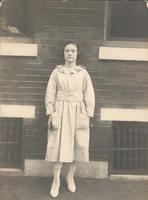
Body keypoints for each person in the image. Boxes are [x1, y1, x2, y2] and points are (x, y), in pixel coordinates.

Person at [45, 41, 95, 198]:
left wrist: (88, 114)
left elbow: (89, 94)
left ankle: (70, 176)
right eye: (67, 50)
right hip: (60, 110)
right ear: (63, 53)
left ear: (76, 54)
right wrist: (51, 113)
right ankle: (56, 180)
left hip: (78, 111)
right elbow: (50, 93)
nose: (69, 53)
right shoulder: (57, 73)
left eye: (73, 51)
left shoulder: (83, 73)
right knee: (58, 145)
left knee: (76, 144)